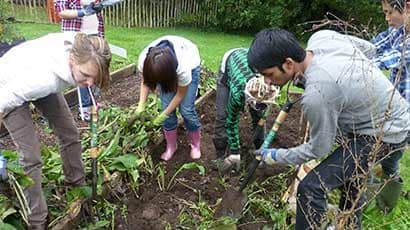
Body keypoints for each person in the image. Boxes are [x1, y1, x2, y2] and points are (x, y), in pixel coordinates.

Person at [247, 28, 409, 229]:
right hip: (388, 113)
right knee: (352, 179)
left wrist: (275, 156)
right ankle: (350, 224)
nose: (267, 81)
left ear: (288, 63)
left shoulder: (317, 94)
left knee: (311, 188)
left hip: (387, 132)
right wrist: (353, 84)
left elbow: (319, 149)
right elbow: (369, 49)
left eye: (268, 74)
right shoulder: (322, 38)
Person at [0, 32, 111, 229]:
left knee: (70, 135)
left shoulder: (84, 48)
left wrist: (91, 83)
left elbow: (93, 68)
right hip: (7, 86)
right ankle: (37, 221)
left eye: (93, 78)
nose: (89, 83)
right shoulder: (43, 79)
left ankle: (76, 186)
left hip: (33, 74)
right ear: (71, 59)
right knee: (31, 157)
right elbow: (4, 101)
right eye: (85, 76)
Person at [213, 48, 279, 173]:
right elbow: (231, 121)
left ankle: (261, 151)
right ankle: (220, 156)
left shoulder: (270, 84)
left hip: (249, 58)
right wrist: (235, 152)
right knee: (223, 115)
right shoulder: (238, 93)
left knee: (259, 117)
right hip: (229, 66)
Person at [136, 35, 202, 161]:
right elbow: (146, 81)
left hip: (190, 61)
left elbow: (180, 94)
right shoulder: (144, 60)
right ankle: (171, 146)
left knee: (186, 110)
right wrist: (141, 105)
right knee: (167, 108)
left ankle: (195, 145)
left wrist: (163, 115)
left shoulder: (183, 68)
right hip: (165, 68)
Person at [54, 0, 105, 121]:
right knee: (83, 70)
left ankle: (93, 103)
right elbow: (62, 12)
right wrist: (82, 12)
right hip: (77, 34)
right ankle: (85, 109)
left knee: (95, 69)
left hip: (94, 32)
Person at [371, 0, 410, 105]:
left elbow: (392, 58)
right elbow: (372, 47)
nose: (387, 18)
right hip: (398, 104)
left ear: (407, 8)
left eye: (390, 12)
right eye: (385, 13)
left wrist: (357, 65)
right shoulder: (396, 31)